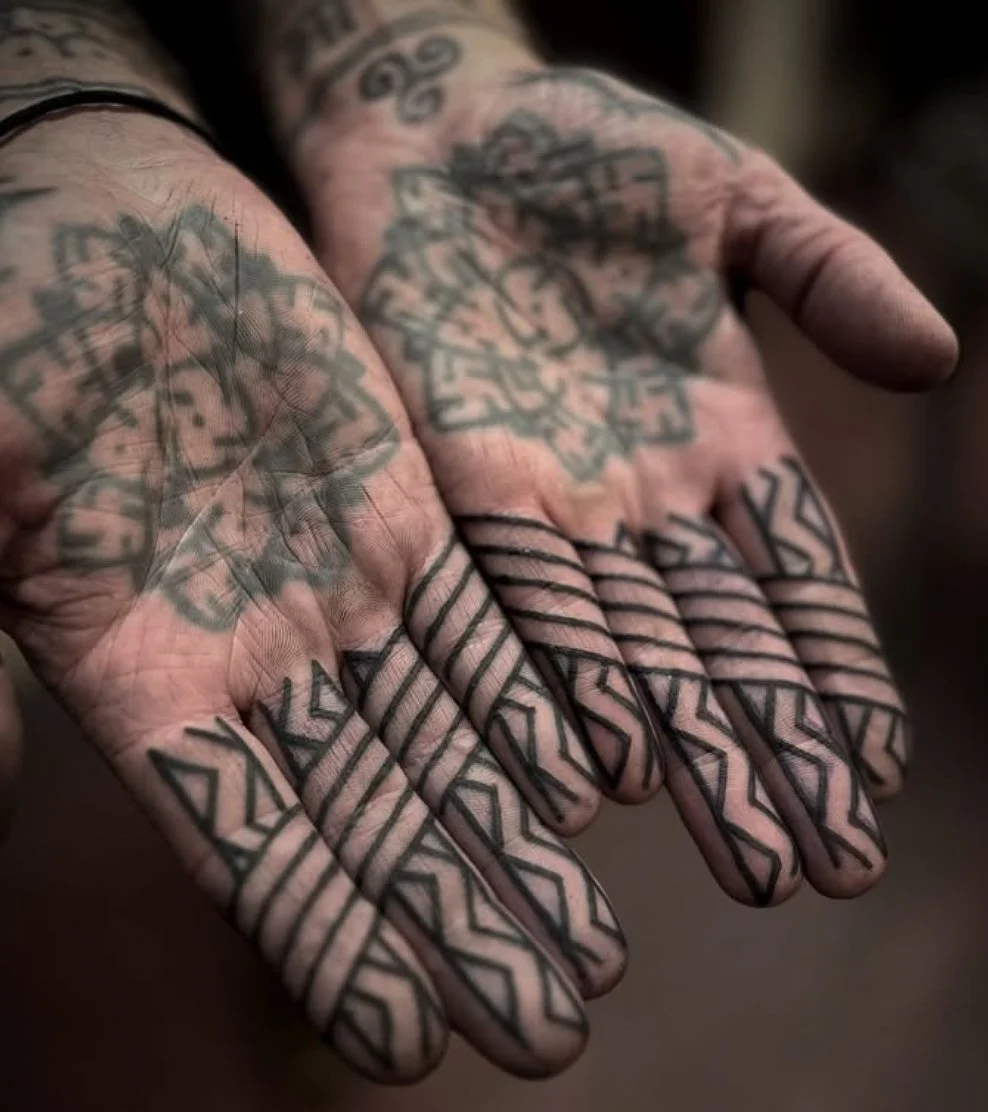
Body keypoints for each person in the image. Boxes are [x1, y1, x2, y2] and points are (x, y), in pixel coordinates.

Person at [0, 0, 957, 1084]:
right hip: (151, 344)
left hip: (441, 276)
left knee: (404, 709)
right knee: (305, 717)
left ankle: (309, 1024)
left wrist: (390, 44)